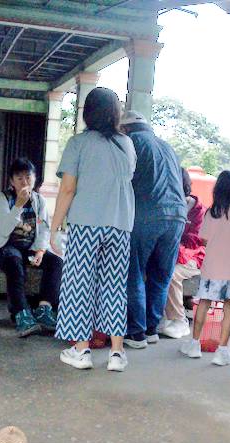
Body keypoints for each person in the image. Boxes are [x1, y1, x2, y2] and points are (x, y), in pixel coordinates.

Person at [51, 87, 137, 372]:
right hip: (120, 225)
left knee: (79, 285)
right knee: (114, 287)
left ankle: (81, 350)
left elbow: (68, 188)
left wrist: (53, 227)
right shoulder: (127, 144)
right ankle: (116, 353)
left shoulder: (79, 143)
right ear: (115, 114)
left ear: (88, 112)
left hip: (86, 224)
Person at [120, 110, 187, 349]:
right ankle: (150, 329)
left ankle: (136, 332)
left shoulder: (131, 143)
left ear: (125, 129)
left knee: (134, 272)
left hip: (148, 214)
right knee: (161, 275)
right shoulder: (168, 147)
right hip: (178, 216)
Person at [180, 170, 230, 365]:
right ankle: (222, 351)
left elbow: (203, 240)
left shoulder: (211, 212)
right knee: (229, 307)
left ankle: (195, 344)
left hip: (212, 268)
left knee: (204, 303)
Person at [0, 157, 63, 337]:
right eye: (19, 178)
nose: (25, 182)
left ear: (35, 178)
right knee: (14, 261)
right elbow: (3, 230)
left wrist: (40, 250)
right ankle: (21, 313)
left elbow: (43, 229)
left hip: (27, 245)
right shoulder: (2, 199)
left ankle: (44, 309)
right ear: (12, 181)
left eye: (28, 177)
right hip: (1, 244)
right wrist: (18, 205)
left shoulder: (39, 200)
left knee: (56, 262)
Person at [160, 168, 206, 339]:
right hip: (171, 254)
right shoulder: (167, 205)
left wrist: (172, 244)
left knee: (170, 274)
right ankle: (159, 318)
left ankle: (179, 320)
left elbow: (196, 241)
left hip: (194, 257)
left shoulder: (199, 210)